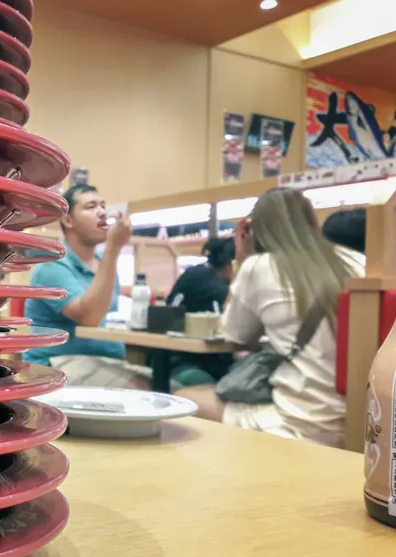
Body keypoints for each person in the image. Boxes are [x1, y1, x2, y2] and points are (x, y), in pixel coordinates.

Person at [175, 187, 364, 447]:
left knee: (184, 397)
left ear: (255, 230)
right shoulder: (357, 261)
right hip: (361, 424)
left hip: (298, 423)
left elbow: (232, 335)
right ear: (312, 221)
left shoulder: (259, 266)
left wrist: (241, 257)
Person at [24, 185, 149, 389]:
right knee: (146, 389)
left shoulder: (103, 262)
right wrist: (113, 248)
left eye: (103, 205)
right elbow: (89, 318)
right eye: (90, 206)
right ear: (68, 220)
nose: (102, 212)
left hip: (105, 362)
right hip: (57, 364)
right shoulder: (52, 264)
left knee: (174, 385)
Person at [162, 237, 236, 387]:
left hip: (180, 356)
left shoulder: (196, 274)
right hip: (184, 361)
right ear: (230, 265)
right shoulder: (214, 286)